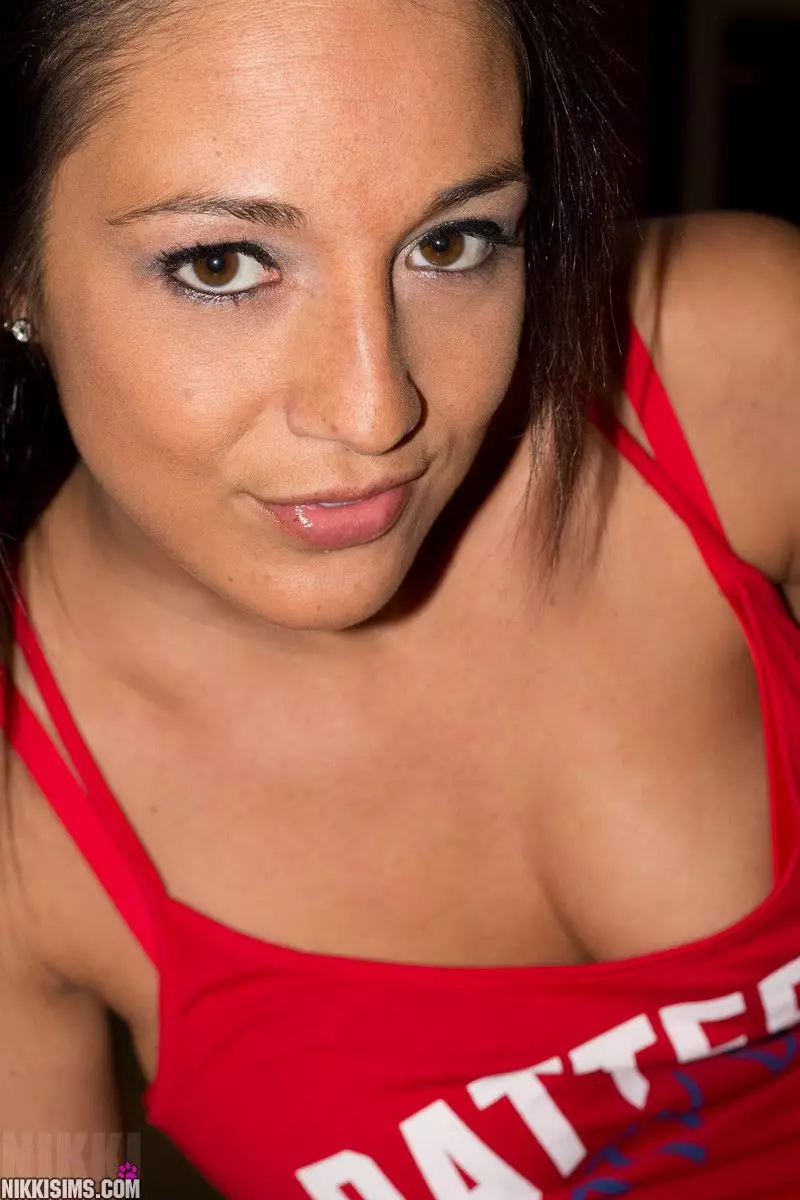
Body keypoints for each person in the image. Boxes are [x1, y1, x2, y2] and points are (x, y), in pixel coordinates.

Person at [1, 0, 799, 1196]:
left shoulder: (730, 363)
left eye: (452, 243)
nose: (377, 412)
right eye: (222, 264)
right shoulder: (20, 816)